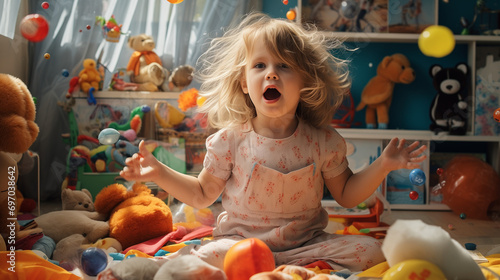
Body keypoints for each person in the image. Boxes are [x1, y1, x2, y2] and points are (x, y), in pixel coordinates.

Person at [120, 12, 427, 272]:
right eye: (260, 66)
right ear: (244, 82)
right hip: (240, 246)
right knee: (202, 258)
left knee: (372, 251)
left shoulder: (322, 141)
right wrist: (159, 172)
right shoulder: (230, 140)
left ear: (305, 80)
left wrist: (384, 165)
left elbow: (347, 195)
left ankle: (284, 269)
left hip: (305, 247)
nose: (272, 75)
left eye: (284, 66)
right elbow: (201, 194)